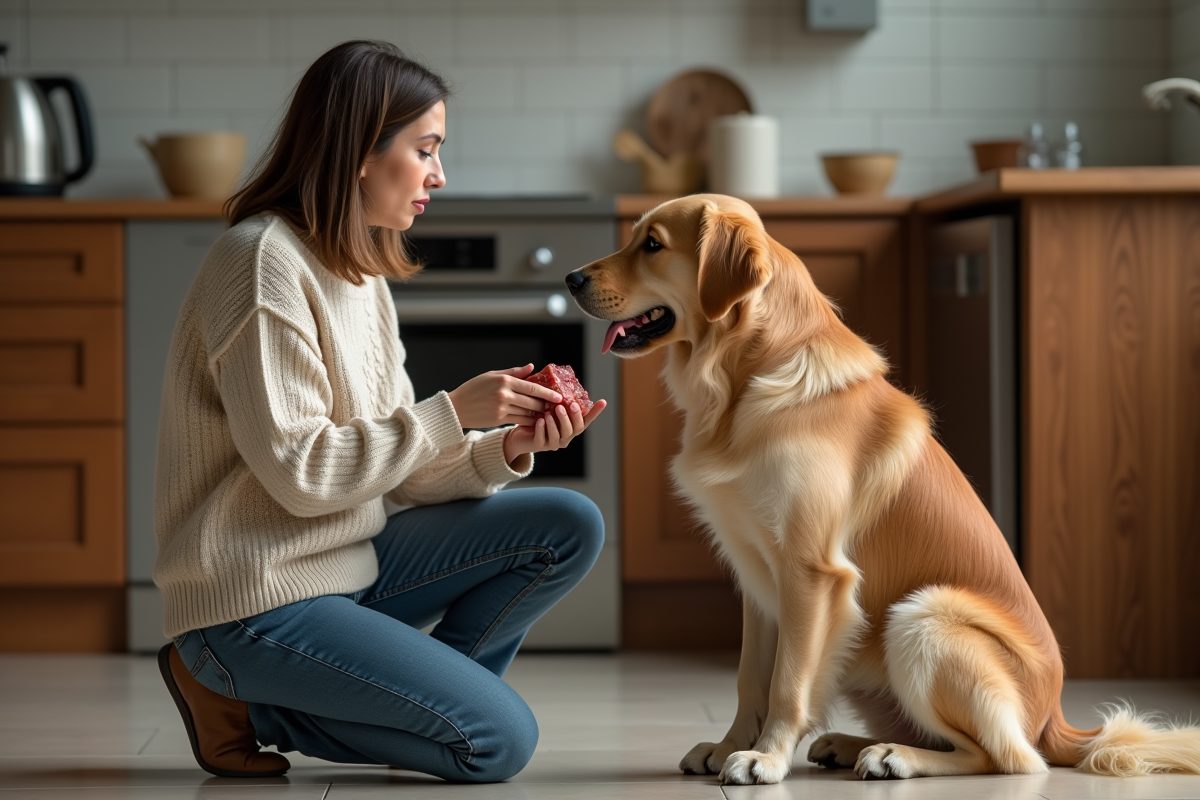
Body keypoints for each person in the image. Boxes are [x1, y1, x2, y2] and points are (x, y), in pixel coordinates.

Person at [152, 40, 606, 784]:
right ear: (362, 150)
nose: (439, 174)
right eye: (425, 149)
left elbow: (399, 478)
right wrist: (451, 412)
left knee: (567, 524)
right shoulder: (261, 261)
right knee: (497, 742)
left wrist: (504, 446)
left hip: (347, 565)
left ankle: (403, 698)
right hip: (255, 598)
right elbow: (301, 475)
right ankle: (246, 698)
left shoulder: (361, 276)